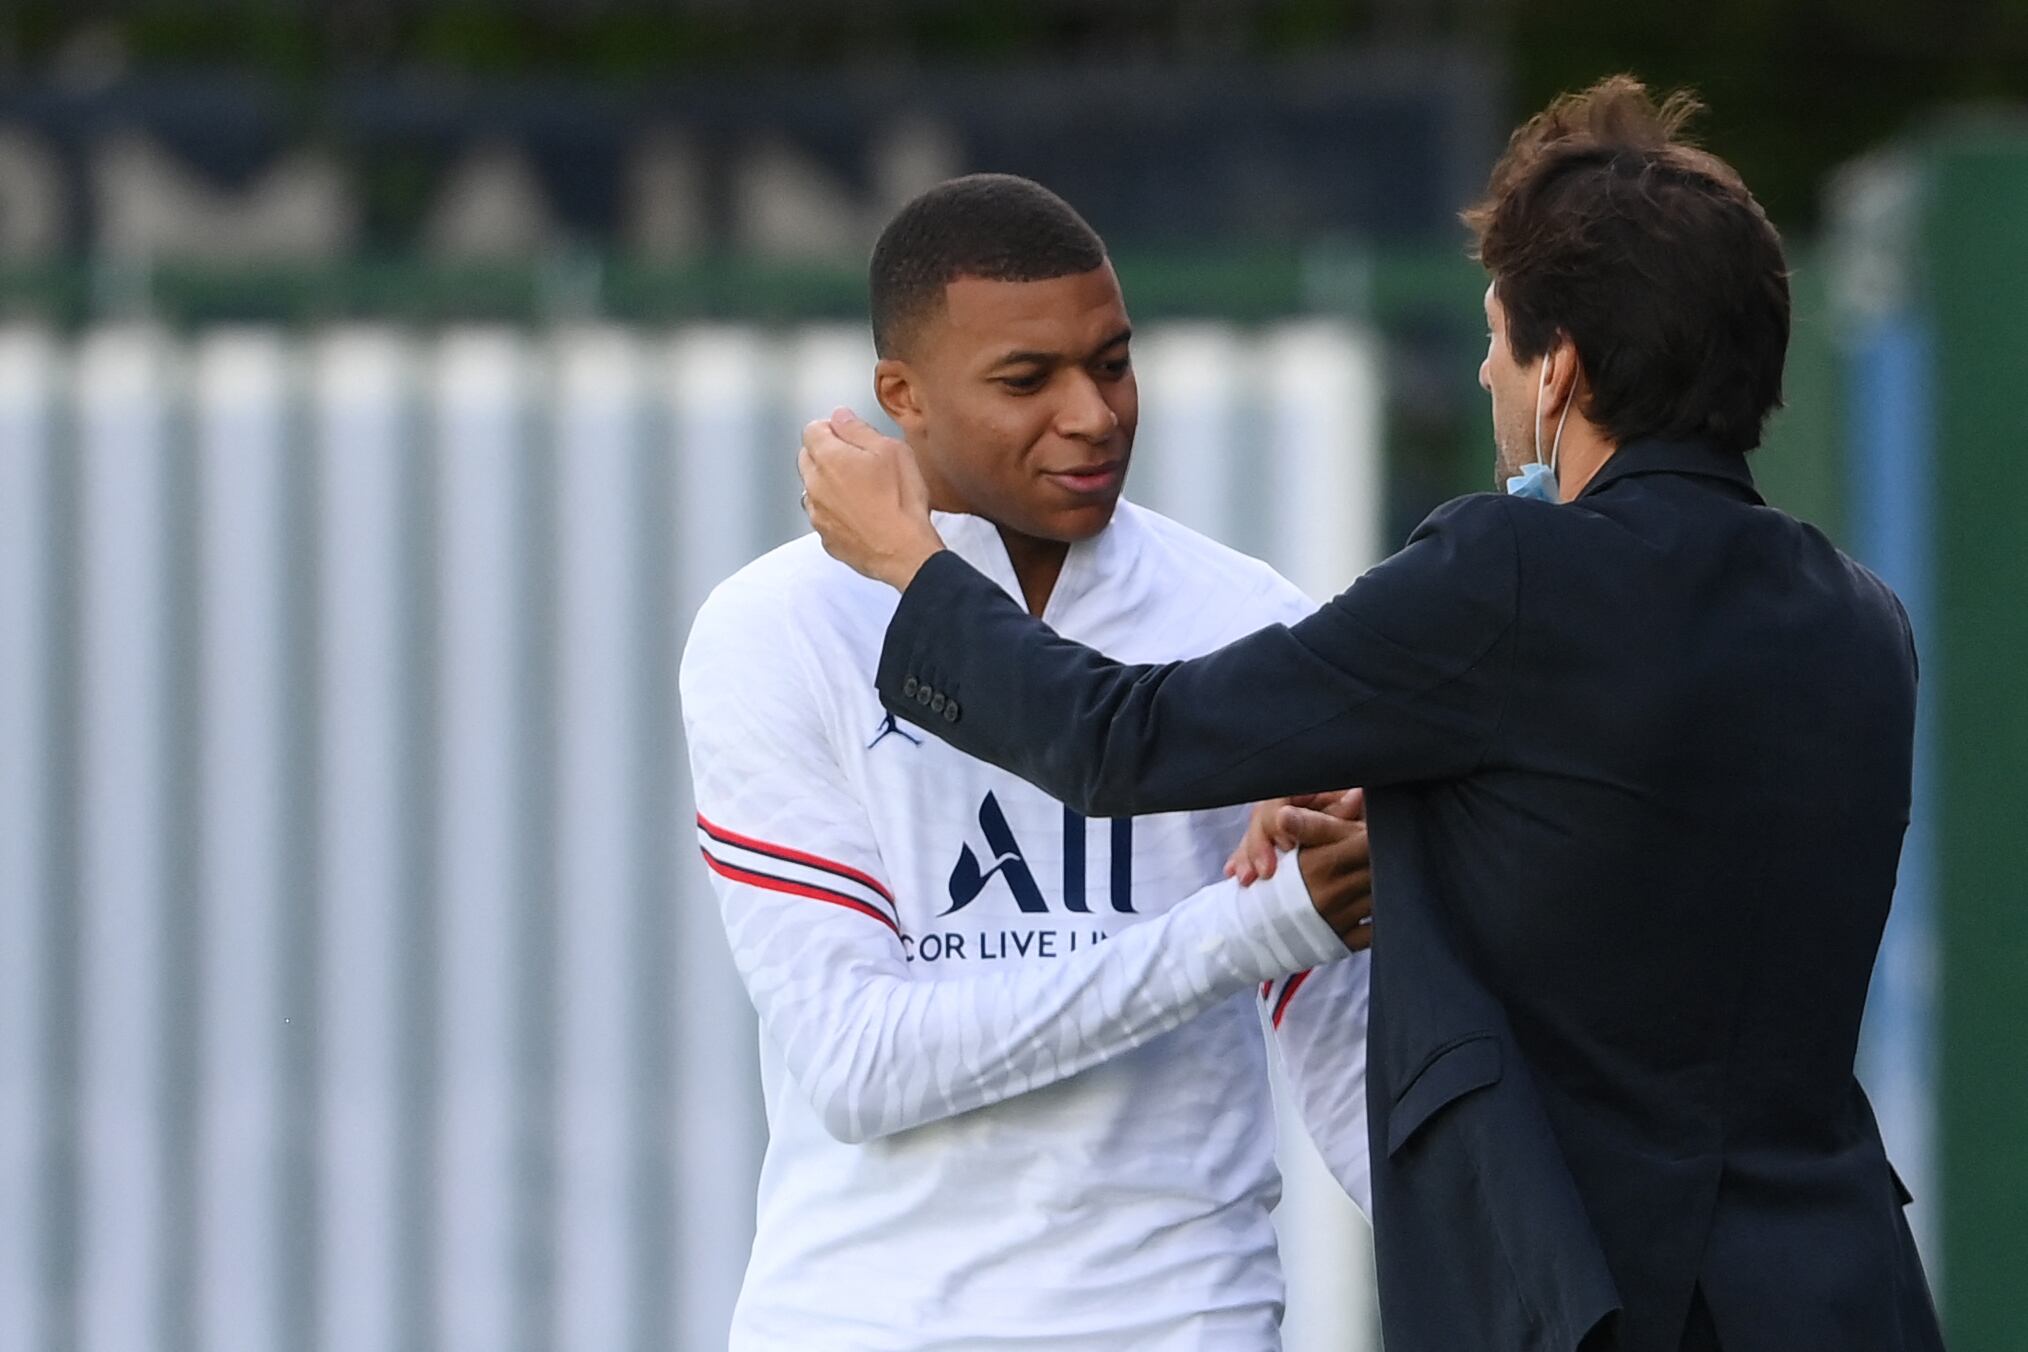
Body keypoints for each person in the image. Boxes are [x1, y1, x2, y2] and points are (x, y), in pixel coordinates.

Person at [797, 81, 1946, 1352]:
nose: (1484, 370)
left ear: (1558, 369)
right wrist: (1424, 818)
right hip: (1846, 1291)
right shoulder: (1863, 621)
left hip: (1600, 1294)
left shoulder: (1510, 572)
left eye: (1500, 339)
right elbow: (1650, 875)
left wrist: (914, 568)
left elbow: (1119, 738)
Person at [680, 173, 1376, 1352]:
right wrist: (1245, 928)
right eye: (1027, 379)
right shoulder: (773, 628)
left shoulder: (1246, 615)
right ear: (902, 396)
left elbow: (1356, 1073)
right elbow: (860, 1064)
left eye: (1112, 360)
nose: (1095, 412)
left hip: (1185, 1320)